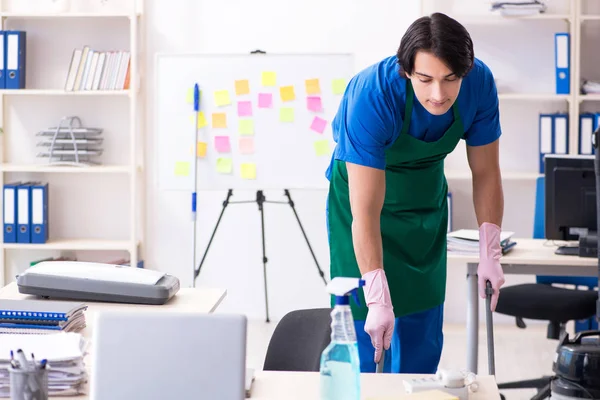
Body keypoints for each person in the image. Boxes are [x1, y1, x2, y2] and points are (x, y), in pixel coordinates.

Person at [325, 12, 506, 374]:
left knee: (422, 322)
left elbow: (485, 173)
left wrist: (491, 249)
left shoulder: (480, 84)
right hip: (361, 202)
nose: (438, 94)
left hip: (424, 201)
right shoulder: (372, 95)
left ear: (465, 72)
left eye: (450, 79)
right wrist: (376, 292)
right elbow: (366, 212)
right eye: (425, 79)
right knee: (368, 321)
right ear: (406, 70)